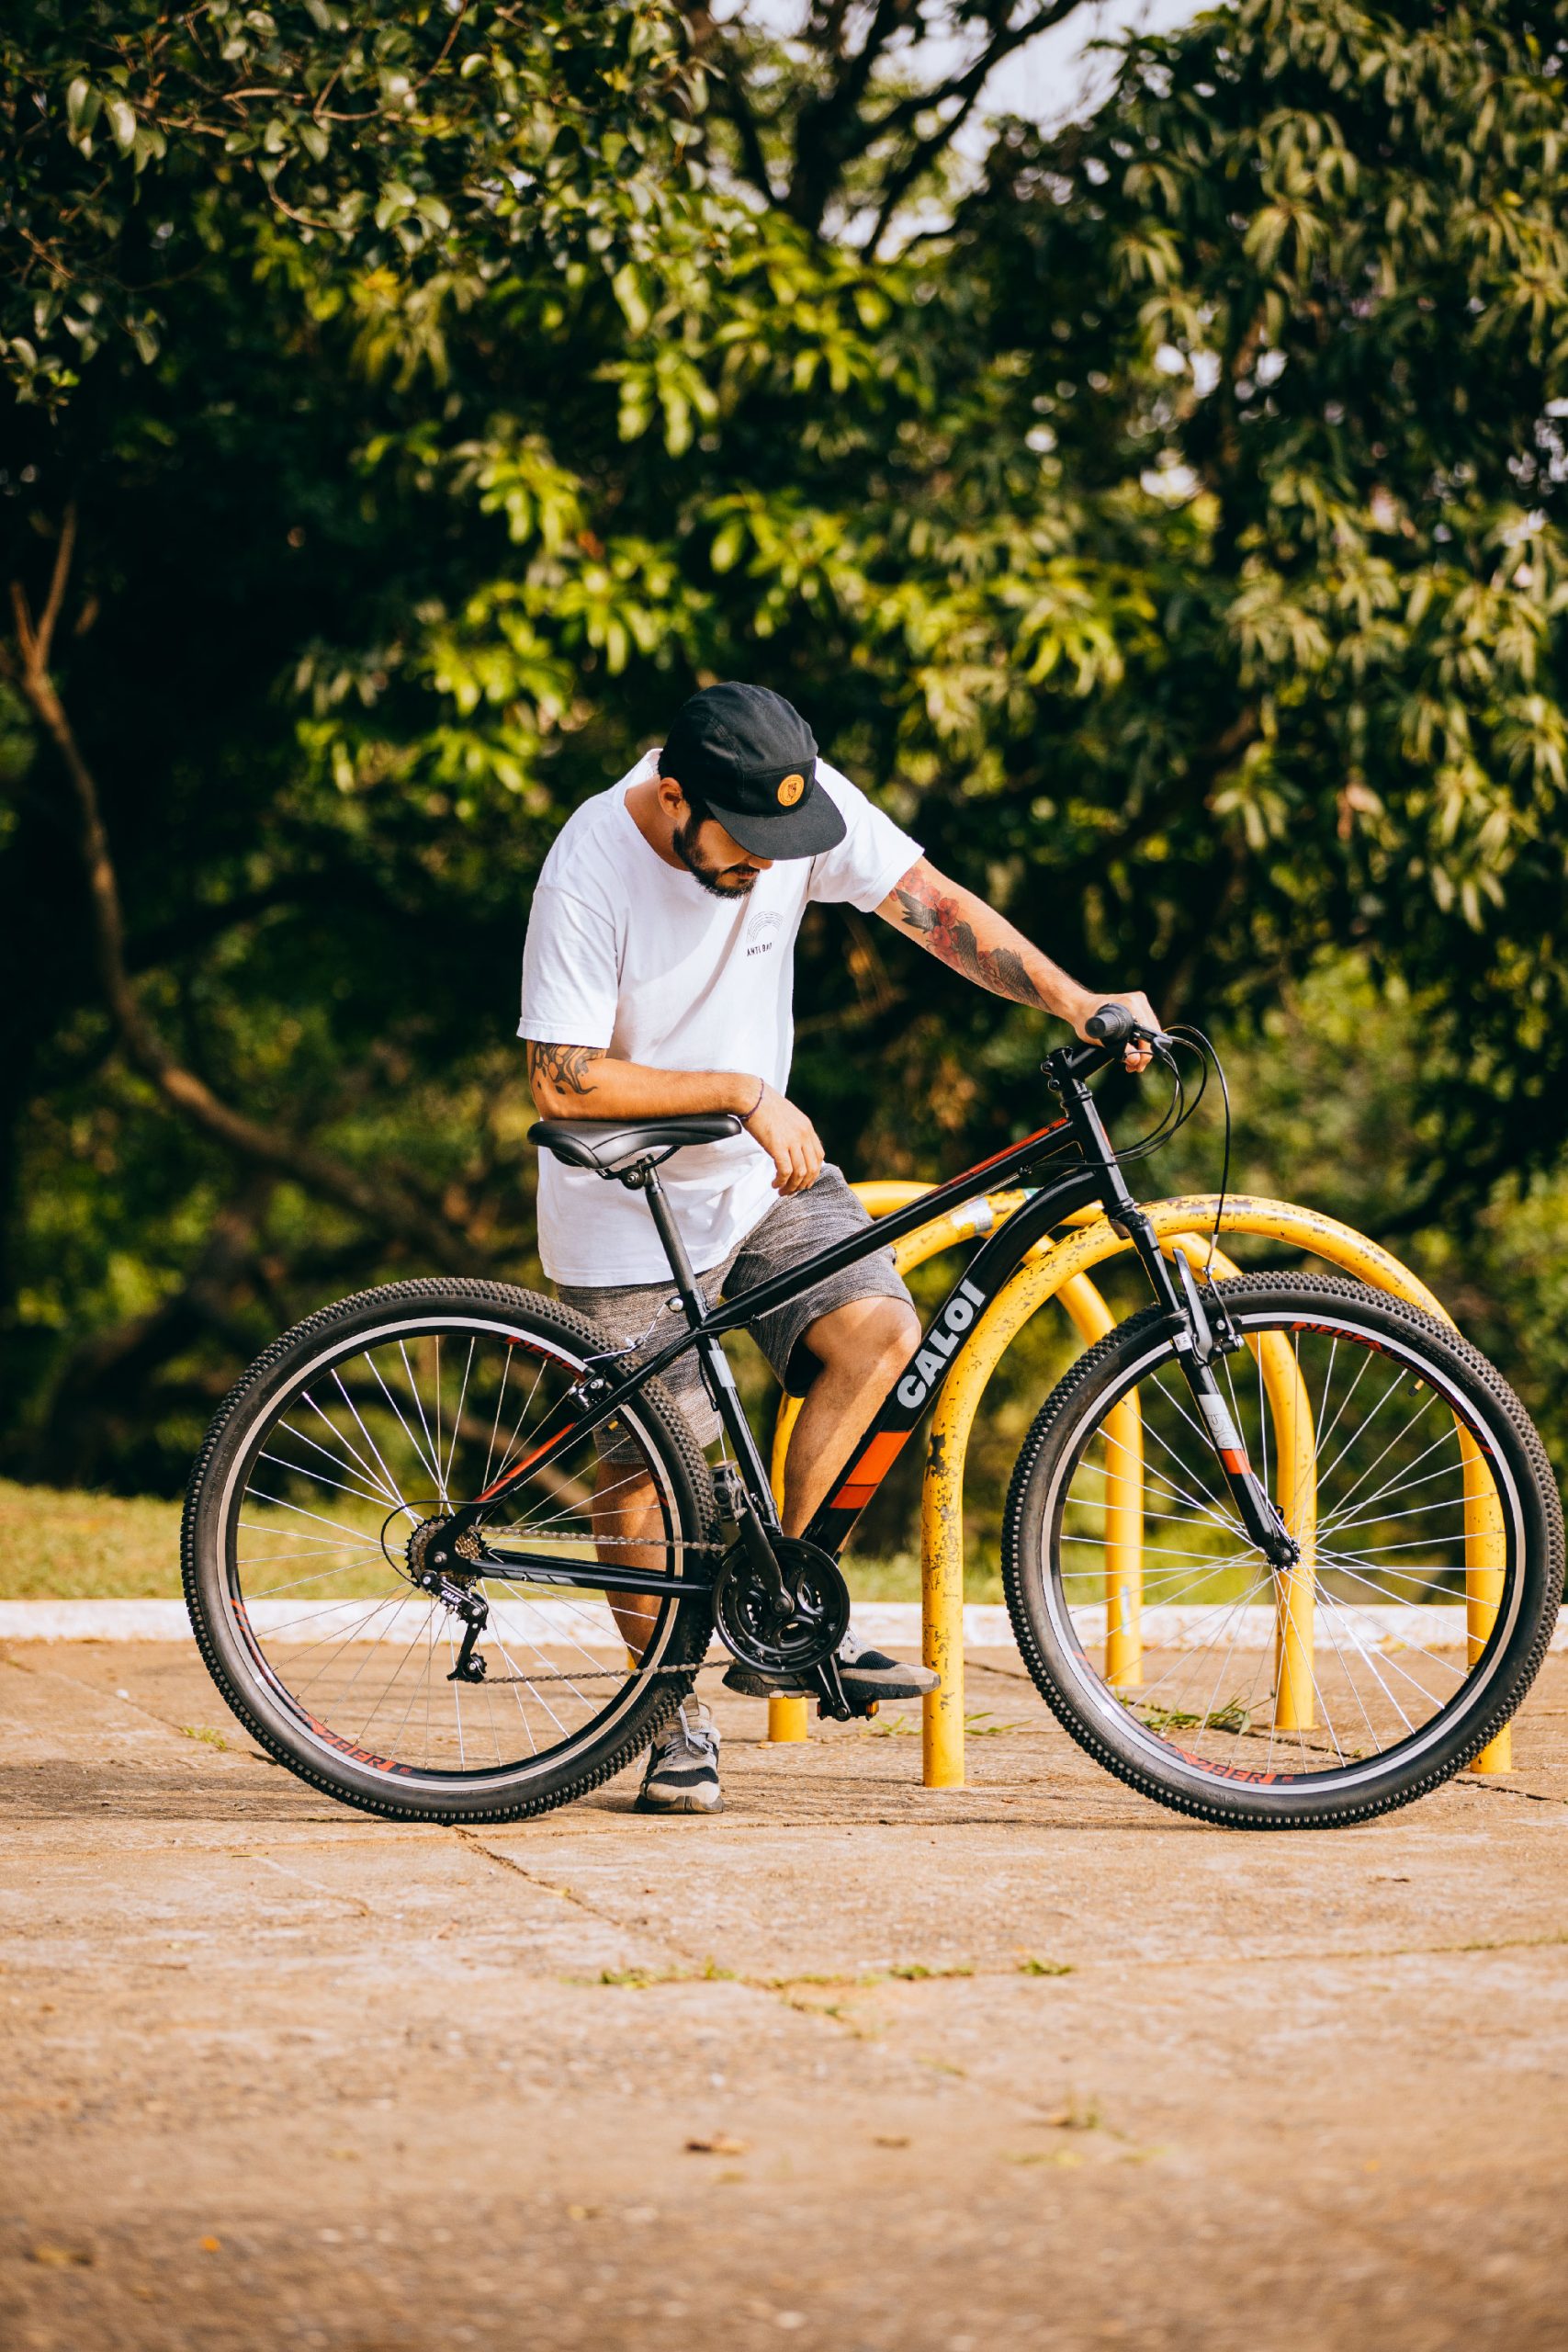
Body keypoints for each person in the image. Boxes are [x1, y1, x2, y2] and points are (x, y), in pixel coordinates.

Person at [519, 682, 1159, 1814]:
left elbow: (933, 905)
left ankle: (775, 1609)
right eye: (743, 846)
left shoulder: (789, 805)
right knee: (648, 1463)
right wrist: (736, 1089)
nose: (769, 863)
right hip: (622, 1196)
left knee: (880, 1330)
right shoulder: (590, 862)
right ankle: (667, 1714)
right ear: (675, 799)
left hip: (766, 1179)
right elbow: (560, 1077)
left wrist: (1076, 1001)